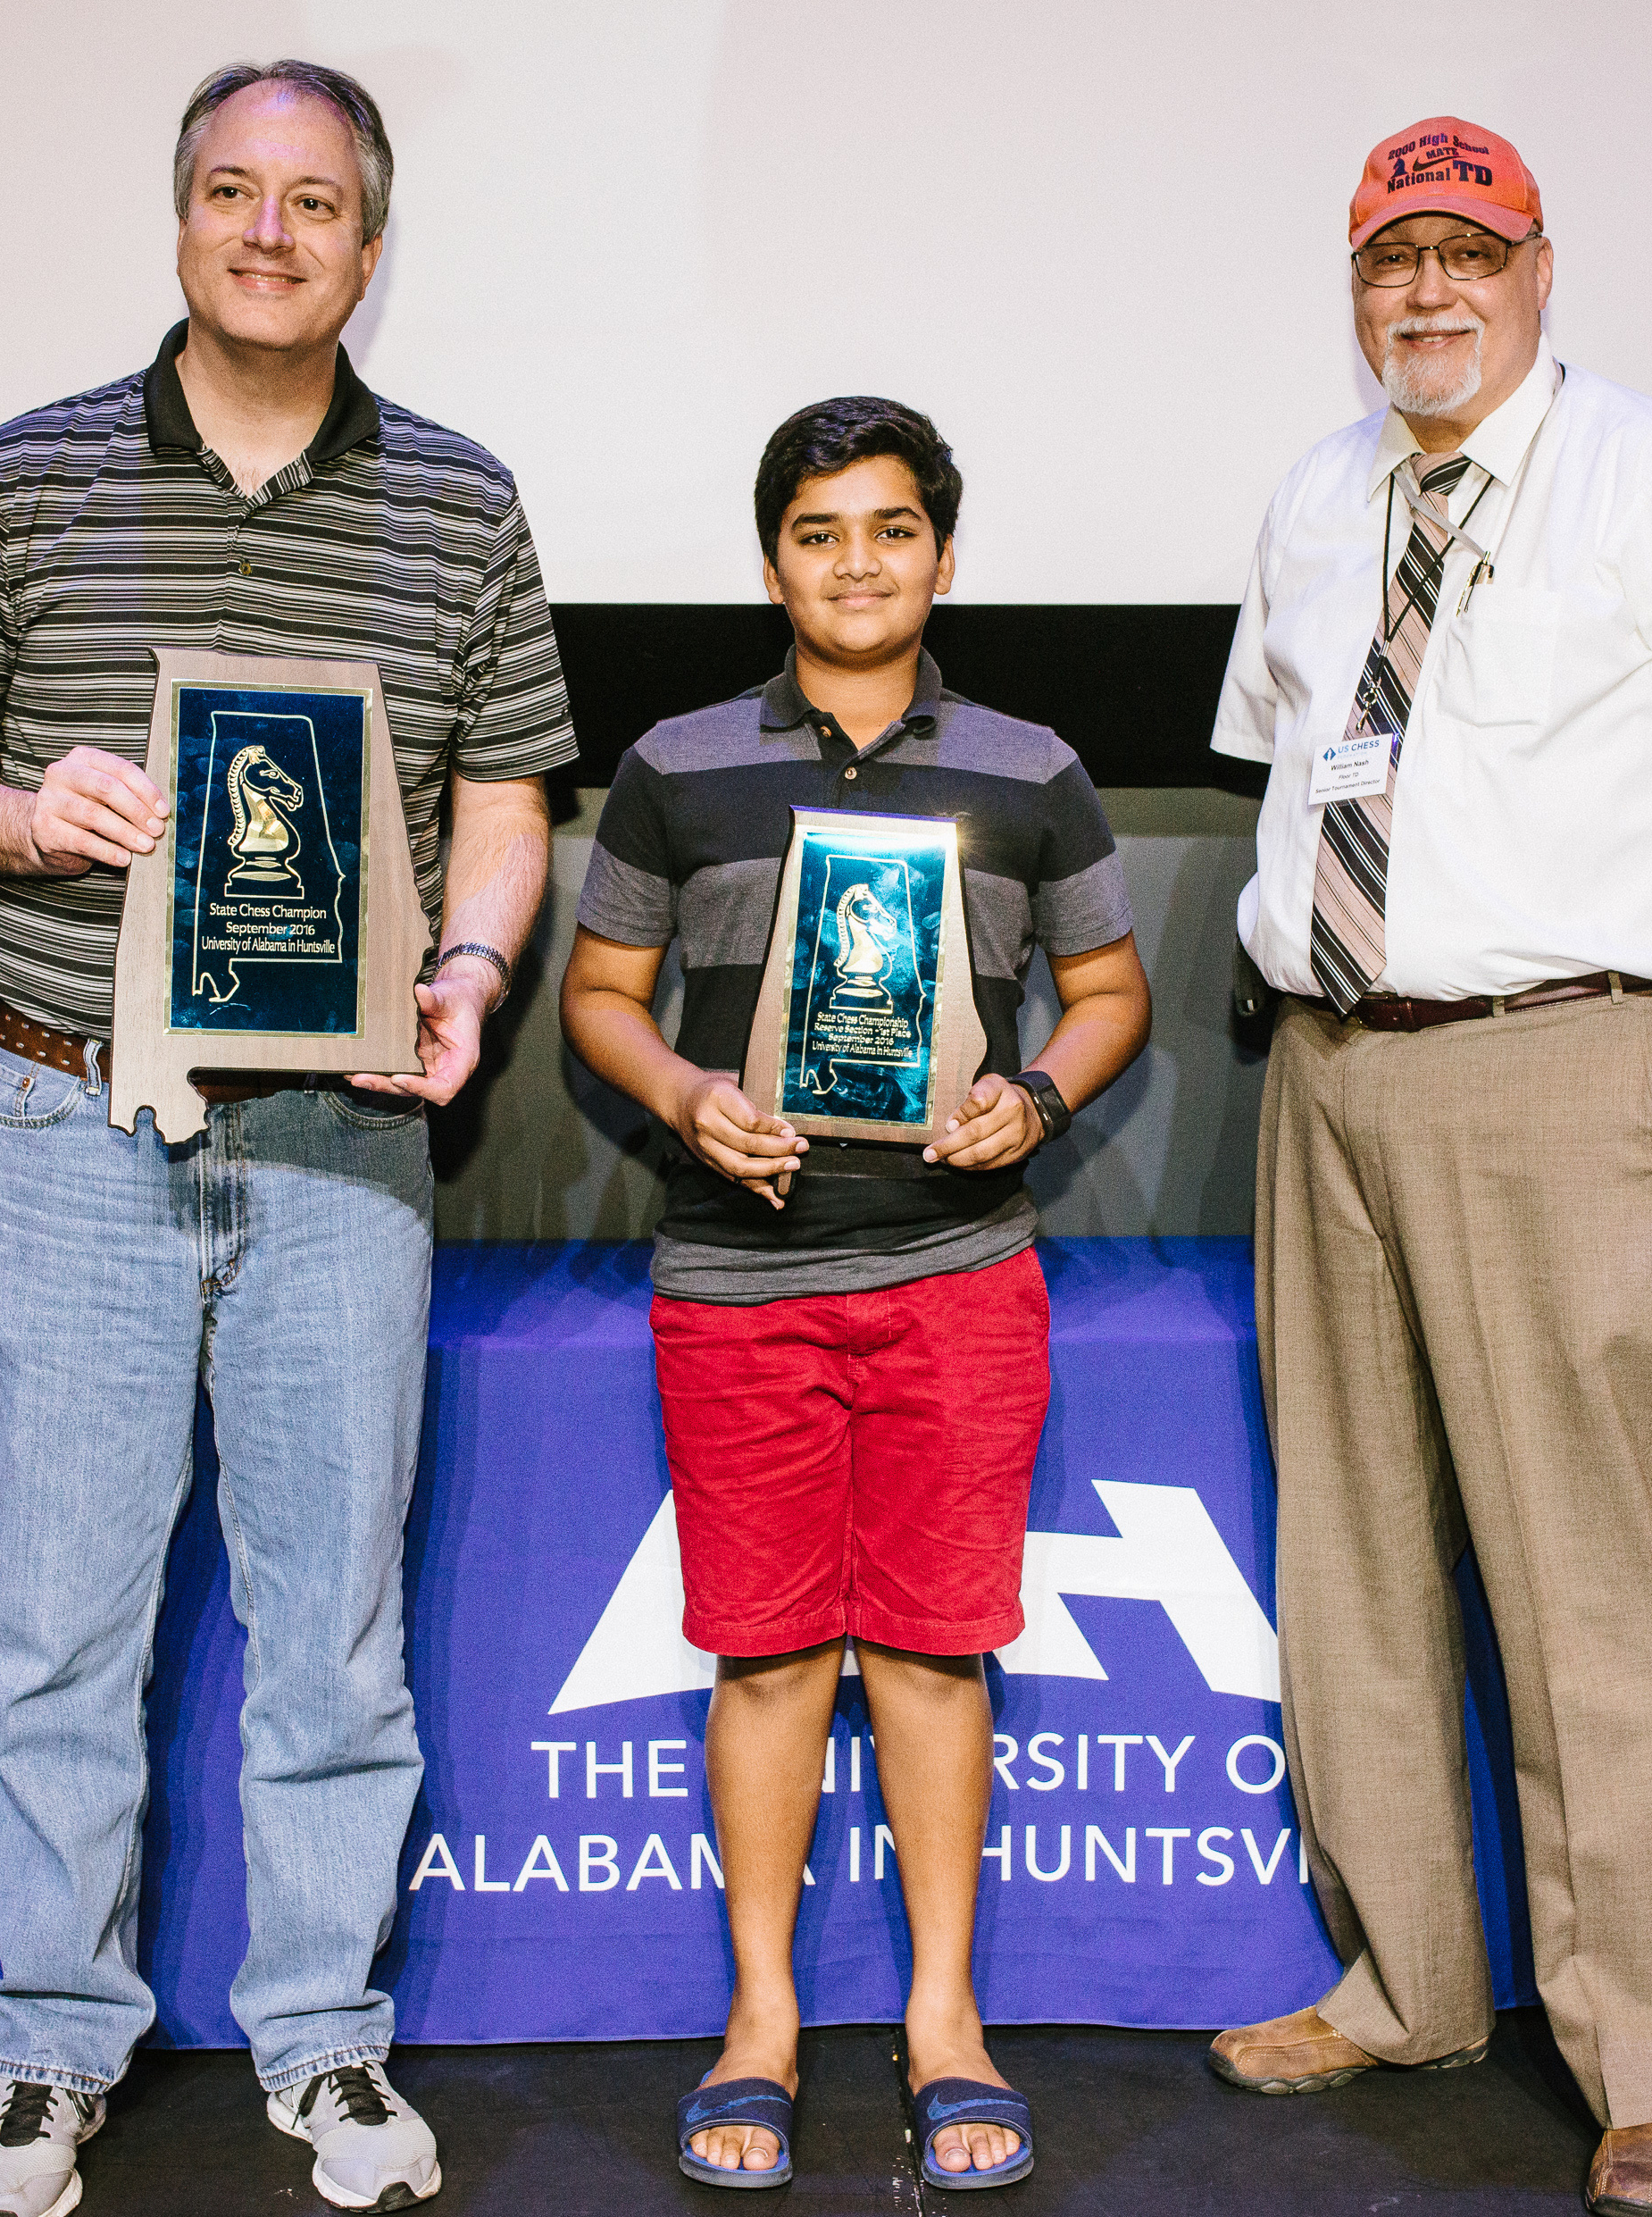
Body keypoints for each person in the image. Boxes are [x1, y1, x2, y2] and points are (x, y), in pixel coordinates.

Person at [0, 58, 575, 2217]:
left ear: (372, 242)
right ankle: (49, 2055)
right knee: (59, 1623)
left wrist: (464, 974)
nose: (271, 234)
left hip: (340, 1150)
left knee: (328, 1627)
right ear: (178, 220)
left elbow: (511, 798)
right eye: (232, 196)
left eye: (316, 203)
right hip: (70, 1120)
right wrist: (24, 805)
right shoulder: (23, 477)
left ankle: (326, 2049)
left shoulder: (460, 501)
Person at [1203, 118, 1652, 2217]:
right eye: (1389, 255)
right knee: (1355, 1566)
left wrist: (1643, 1027)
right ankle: (1410, 1980)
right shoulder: (1320, 495)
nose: (1425, 291)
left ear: (1539, 268)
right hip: (1326, 1073)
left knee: (1591, 1592)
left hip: (1563, 1069)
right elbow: (1295, 773)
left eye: (1463, 253)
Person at [560, 398, 1150, 2194]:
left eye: (890, 529)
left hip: (957, 1276)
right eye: (818, 533)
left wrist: (1035, 1098)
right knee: (762, 1656)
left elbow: (1109, 988)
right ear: (770, 565)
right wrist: (684, 1099)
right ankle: (758, 2027)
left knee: (928, 1652)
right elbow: (599, 992)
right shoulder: (673, 763)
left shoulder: (1032, 771)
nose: (856, 562)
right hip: (735, 1283)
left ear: (942, 558)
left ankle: (943, 2027)